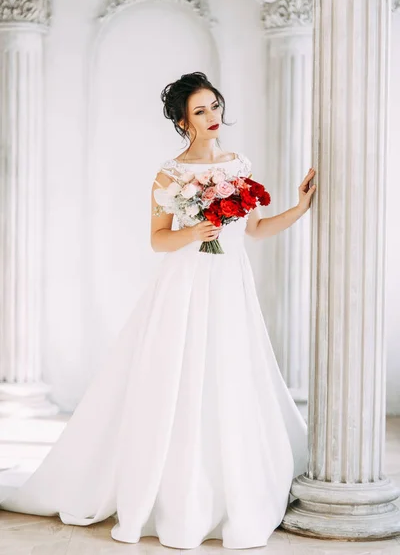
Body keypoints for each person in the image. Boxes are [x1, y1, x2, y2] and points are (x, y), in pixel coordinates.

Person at [0, 71, 316, 549]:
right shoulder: (170, 173)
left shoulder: (238, 164)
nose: (213, 117)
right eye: (201, 111)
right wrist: (196, 232)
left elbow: (253, 230)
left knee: (231, 374)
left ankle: (238, 482)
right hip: (185, 286)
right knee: (178, 379)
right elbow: (157, 239)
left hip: (231, 286)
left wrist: (299, 207)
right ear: (183, 121)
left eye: (215, 106)